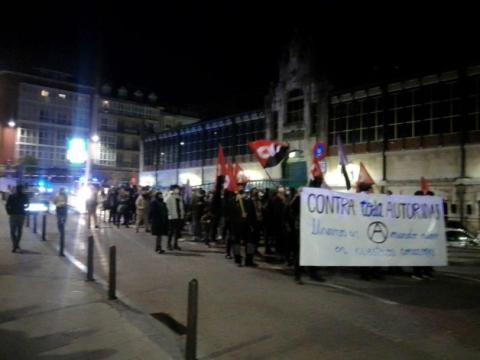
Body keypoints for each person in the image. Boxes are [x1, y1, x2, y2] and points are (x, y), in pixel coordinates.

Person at [5, 184, 29, 252]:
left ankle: (15, 245)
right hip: (20, 214)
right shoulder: (24, 196)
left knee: (13, 231)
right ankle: (16, 244)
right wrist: (24, 207)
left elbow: (7, 205)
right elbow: (27, 204)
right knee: (19, 230)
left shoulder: (12, 196)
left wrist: (9, 212)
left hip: (13, 215)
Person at [165, 185, 184, 250]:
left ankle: (175, 244)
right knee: (170, 232)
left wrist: (182, 215)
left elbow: (181, 207)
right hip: (172, 217)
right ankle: (169, 245)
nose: (178, 190)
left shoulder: (179, 197)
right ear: (173, 189)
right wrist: (169, 215)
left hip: (178, 216)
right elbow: (166, 208)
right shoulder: (169, 197)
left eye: (178, 189)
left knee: (177, 231)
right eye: (176, 189)